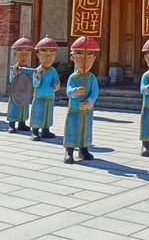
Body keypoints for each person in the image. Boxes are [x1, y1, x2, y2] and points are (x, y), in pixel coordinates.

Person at [63, 36, 99, 164]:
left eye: (89, 58)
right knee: (72, 129)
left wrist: (89, 102)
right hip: (74, 109)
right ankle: (69, 151)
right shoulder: (73, 78)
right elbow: (68, 90)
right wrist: (75, 92)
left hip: (87, 110)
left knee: (86, 129)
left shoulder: (92, 78)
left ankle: (84, 149)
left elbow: (95, 92)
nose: (84, 62)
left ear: (94, 59)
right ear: (73, 59)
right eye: (80, 58)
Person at [30, 36, 61, 141]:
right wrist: (38, 76)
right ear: (38, 55)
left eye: (51, 55)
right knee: (37, 113)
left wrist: (56, 85)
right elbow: (35, 84)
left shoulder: (53, 71)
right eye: (45, 55)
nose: (48, 58)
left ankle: (46, 130)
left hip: (49, 97)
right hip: (39, 97)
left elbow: (55, 83)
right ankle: (35, 131)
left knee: (48, 114)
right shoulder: (38, 70)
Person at [7, 37, 36, 133]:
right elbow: (11, 80)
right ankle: (11, 124)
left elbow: (32, 80)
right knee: (13, 108)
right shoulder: (14, 68)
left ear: (30, 55)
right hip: (15, 94)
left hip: (25, 94)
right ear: (15, 55)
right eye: (21, 54)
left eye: (27, 54)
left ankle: (22, 123)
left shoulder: (29, 69)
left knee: (24, 108)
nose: (24, 57)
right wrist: (15, 73)